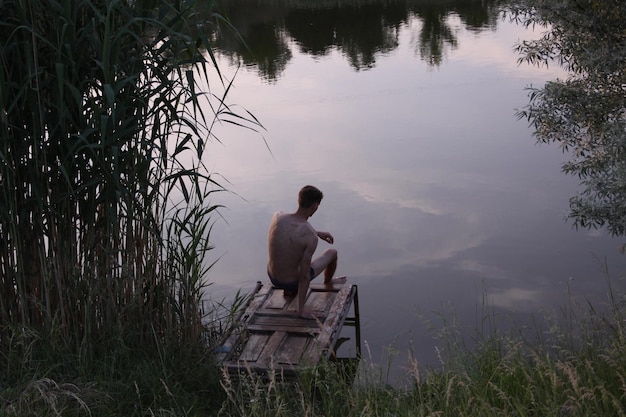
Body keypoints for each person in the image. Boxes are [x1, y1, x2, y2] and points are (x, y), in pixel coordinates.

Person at [267, 185, 346, 317]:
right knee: (332, 253)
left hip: (273, 277)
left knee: (289, 254)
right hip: (291, 282)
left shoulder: (278, 217)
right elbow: (304, 276)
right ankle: (328, 283)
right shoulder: (310, 236)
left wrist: (317, 232)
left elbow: (292, 233)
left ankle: (288, 291)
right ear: (315, 206)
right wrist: (301, 310)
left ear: (299, 200)